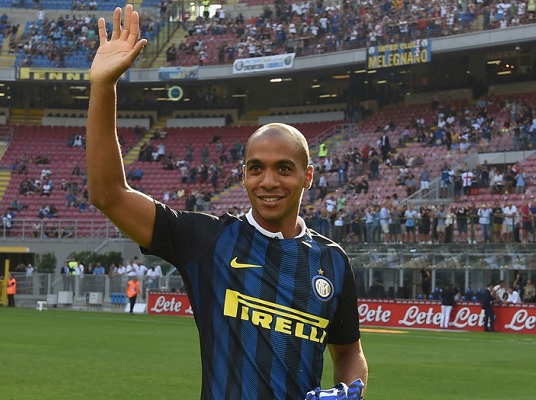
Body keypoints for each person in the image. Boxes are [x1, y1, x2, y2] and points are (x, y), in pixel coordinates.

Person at [86, 6, 368, 398]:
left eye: (283, 169)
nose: (268, 181)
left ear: (307, 176)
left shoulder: (332, 261)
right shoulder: (207, 240)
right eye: (256, 168)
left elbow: (349, 351)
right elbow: (108, 195)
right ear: (243, 175)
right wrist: (104, 87)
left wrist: (350, 391)